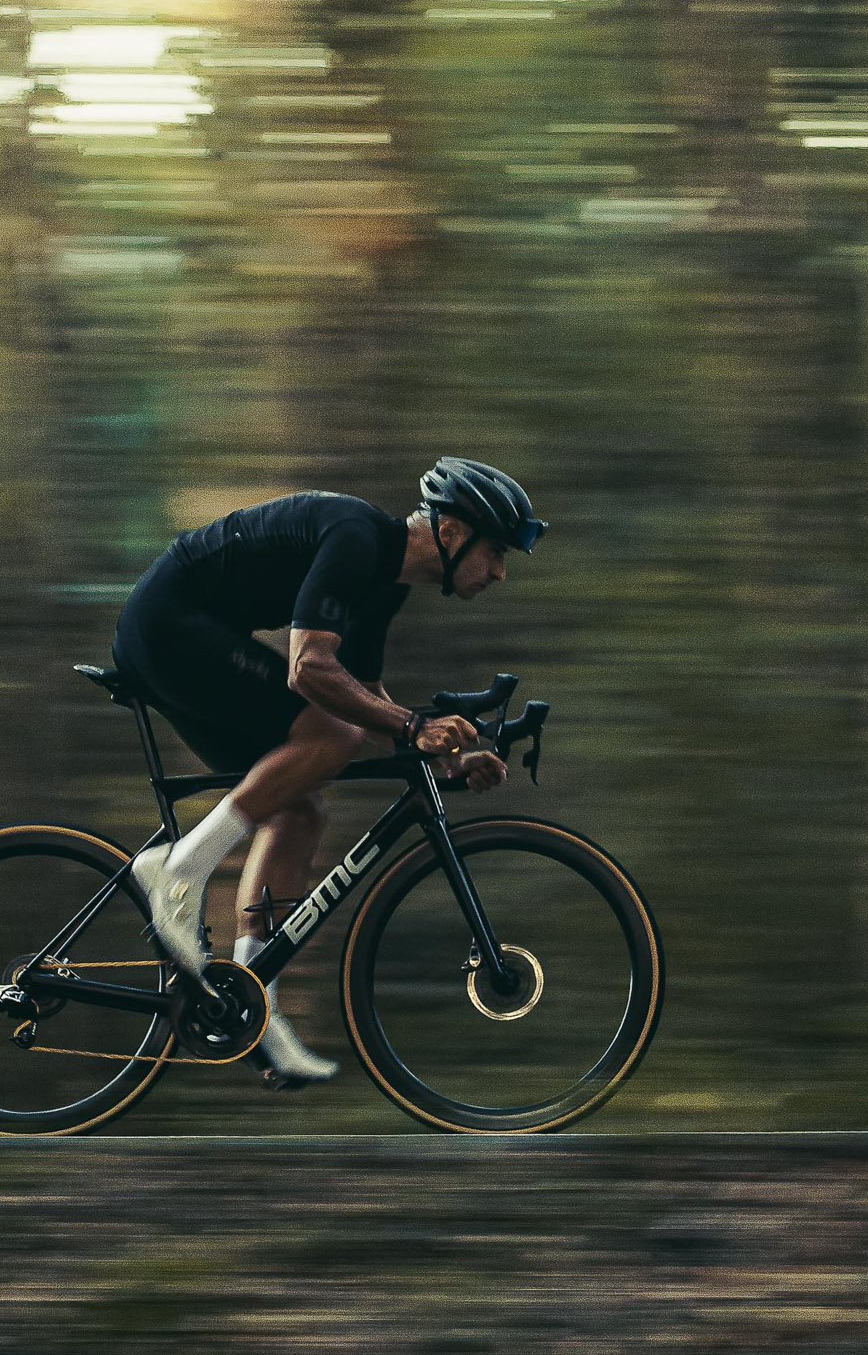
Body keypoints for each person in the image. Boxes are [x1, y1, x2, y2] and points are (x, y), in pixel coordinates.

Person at [112, 457, 546, 1088]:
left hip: (192, 638)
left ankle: (254, 1010)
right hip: (168, 626)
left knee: (299, 806)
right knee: (326, 734)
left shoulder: (384, 583)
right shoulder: (356, 538)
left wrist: (446, 762)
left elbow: (364, 698)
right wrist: (411, 727)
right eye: (496, 551)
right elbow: (309, 670)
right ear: (451, 532)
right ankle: (180, 871)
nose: (500, 572)